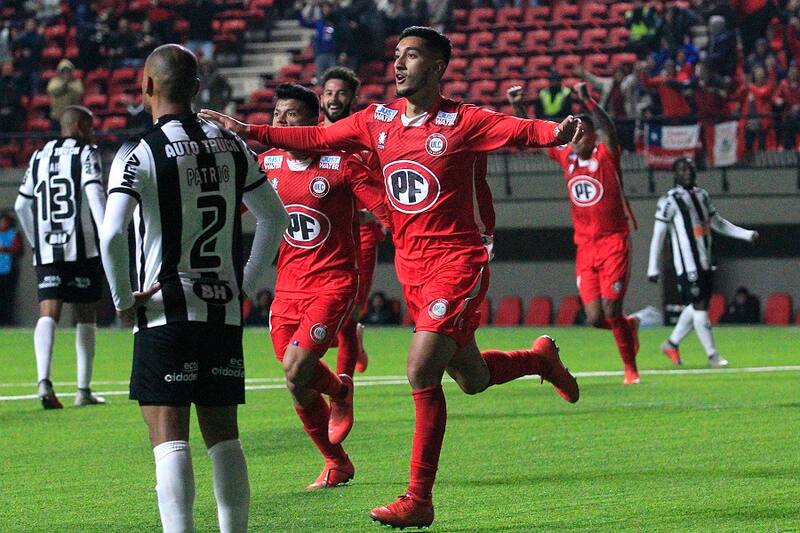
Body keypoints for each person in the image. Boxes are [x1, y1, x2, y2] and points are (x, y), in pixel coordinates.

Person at [201, 26, 583, 528]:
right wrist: (249, 131)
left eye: (412, 56)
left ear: (438, 67)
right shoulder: (376, 120)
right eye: (397, 55)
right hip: (412, 268)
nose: (399, 64)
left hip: (457, 262)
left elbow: (517, 129)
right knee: (471, 378)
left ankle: (419, 498)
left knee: (421, 371)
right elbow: (316, 136)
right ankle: (538, 359)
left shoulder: (464, 120)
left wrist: (555, 131)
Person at [98, 44, 287, 533]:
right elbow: (275, 218)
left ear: (147, 86)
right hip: (222, 311)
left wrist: (122, 300)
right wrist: (244, 283)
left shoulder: (139, 152)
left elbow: (111, 233)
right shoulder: (233, 145)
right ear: (197, 88)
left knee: (169, 435)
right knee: (224, 436)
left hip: (166, 311)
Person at [257, 82, 388, 490]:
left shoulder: (342, 164)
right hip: (287, 287)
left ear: (313, 122)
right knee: (295, 379)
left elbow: (386, 207)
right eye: (276, 115)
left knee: (297, 367)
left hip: (332, 282)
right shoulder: (266, 165)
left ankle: (340, 391)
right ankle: (336, 461)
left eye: (291, 115)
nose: (281, 123)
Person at [508, 82, 641, 385]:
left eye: (583, 133)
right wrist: (518, 107)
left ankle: (630, 370)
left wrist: (589, 101)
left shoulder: (606, 155)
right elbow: (533, 138)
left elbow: (610, 129)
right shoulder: (565, 157)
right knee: (595, 318)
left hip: (613, 241)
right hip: (585, 246)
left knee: (612, 308)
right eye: (574, 133)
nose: (576, 137)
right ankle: (628, 327)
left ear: (593, 137)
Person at [14, 106, 107, 409]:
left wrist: (36, 242)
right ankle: (83, 390)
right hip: (83, 247)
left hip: (47, 248)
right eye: (90, 127)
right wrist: (108, 237)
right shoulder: (87, 153)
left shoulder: (39, 155)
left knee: (48, 313)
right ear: (79, 126)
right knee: (86, 315)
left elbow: (21, 206)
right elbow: (95, 198)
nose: (93, 133)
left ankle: (43, 380)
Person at [647, 157, 758, 368]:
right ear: (675, 174)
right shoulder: (669, 200)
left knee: (697, 305)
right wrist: (653, 267)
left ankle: (671, 344)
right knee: (700, 308)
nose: (688, 172)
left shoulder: (702, 195)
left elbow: (717, 223)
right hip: (687, 265)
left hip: (705, 261)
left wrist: (745, 234)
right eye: (683, 169)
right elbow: (658, 235)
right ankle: (712, 355)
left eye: (691, 168)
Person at [320, 65, 384, 376]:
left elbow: (382, 191)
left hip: (363, 233)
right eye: (329, 93)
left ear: (353, 98)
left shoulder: (365, 140)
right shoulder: (311, 138)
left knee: (350, 311)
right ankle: (352, 342)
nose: (334, 99)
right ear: (321, 97)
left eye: (341, 93)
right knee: (322, 313)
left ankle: (343, 391)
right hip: (323, 235)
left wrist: (369, 215)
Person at [0, 212, 23, 325]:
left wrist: (5, 249)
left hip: (8, 271)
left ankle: (7, 320)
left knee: (7, 297)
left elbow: (18, 250)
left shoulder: (14, 234)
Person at [47, 59, 85, 125]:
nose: (66, 73)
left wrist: (68, 87)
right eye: (63, 71)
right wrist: (64, 85)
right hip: (57, 117)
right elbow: (52, 91)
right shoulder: (54, 81)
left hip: (72, 117)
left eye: (68, 71)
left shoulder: (77, 82)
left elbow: (79, 93)